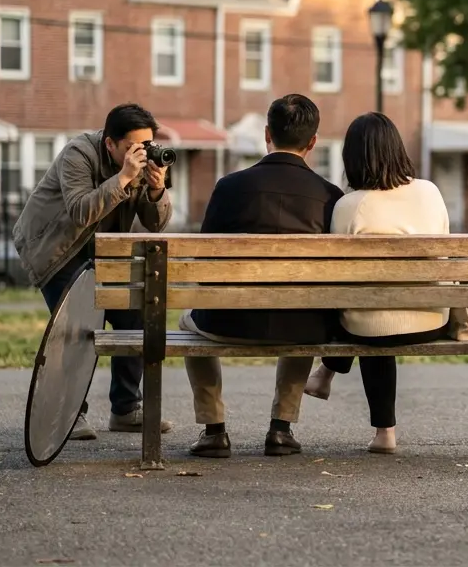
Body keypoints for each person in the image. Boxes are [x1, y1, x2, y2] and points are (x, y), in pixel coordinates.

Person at [181, 94, 344, 459]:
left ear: (267, 134)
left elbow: (203, 259)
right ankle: (281, 428)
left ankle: (213, 429)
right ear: (313, 141)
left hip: (229, 319)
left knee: (185, 319)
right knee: (304, 306)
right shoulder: (328, 196)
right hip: (300, 326)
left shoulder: (229, 187)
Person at [12, 103, 174, 441]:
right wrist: (125, 178)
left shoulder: (138, 164)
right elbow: (80, 212)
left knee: (136, 314)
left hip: (100, 253)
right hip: (54, 249)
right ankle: (70, 415)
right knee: (79, 325)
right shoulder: (78, 154)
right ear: (110, 144)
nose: (141, 154)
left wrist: (157, 191)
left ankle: (126, 409)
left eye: (146, 145)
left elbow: (155, 223)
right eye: (133, 147)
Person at [303, 112, 450, 454]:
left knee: (371, 313)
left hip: (368, 326)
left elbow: (338, 275)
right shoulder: (429, 192)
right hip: (431, 319)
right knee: (377, 308)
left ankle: (381, 429)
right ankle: (327, 379)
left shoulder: (348, 206)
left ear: (351, 158)